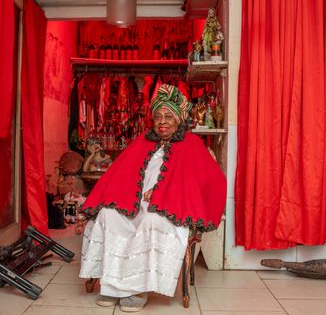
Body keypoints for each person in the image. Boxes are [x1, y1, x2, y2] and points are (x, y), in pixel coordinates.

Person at [79, 84, 227, 312]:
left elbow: (206, 181)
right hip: (134, 204)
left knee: (151, 222)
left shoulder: (192, 145)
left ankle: (138, 289)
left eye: (168, 116)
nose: (162, 121)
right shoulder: (142, 141)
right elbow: (119, 174)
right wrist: (132, 194)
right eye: (157, 116)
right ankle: (111, 286)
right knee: (108, 215)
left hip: (170, 208)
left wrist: (162, 193)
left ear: (178, 119)